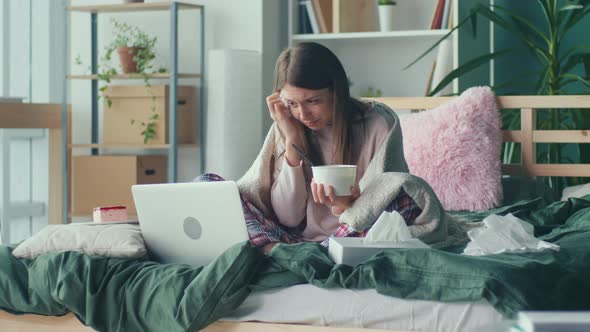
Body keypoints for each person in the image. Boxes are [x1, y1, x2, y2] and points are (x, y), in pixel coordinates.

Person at [197, 42, 423, 253]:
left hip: (351, 235)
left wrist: (344, 206)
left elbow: (388, 199)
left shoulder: (378, 125)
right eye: (292, 103)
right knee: (207, 186)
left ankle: (279, 256)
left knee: (402, 201)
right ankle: (284, 254)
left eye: (313, 101)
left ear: (337, 92)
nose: (303, 115)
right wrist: (292, 139)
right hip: (292, 241)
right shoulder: (288, 125)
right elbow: (288, 219)